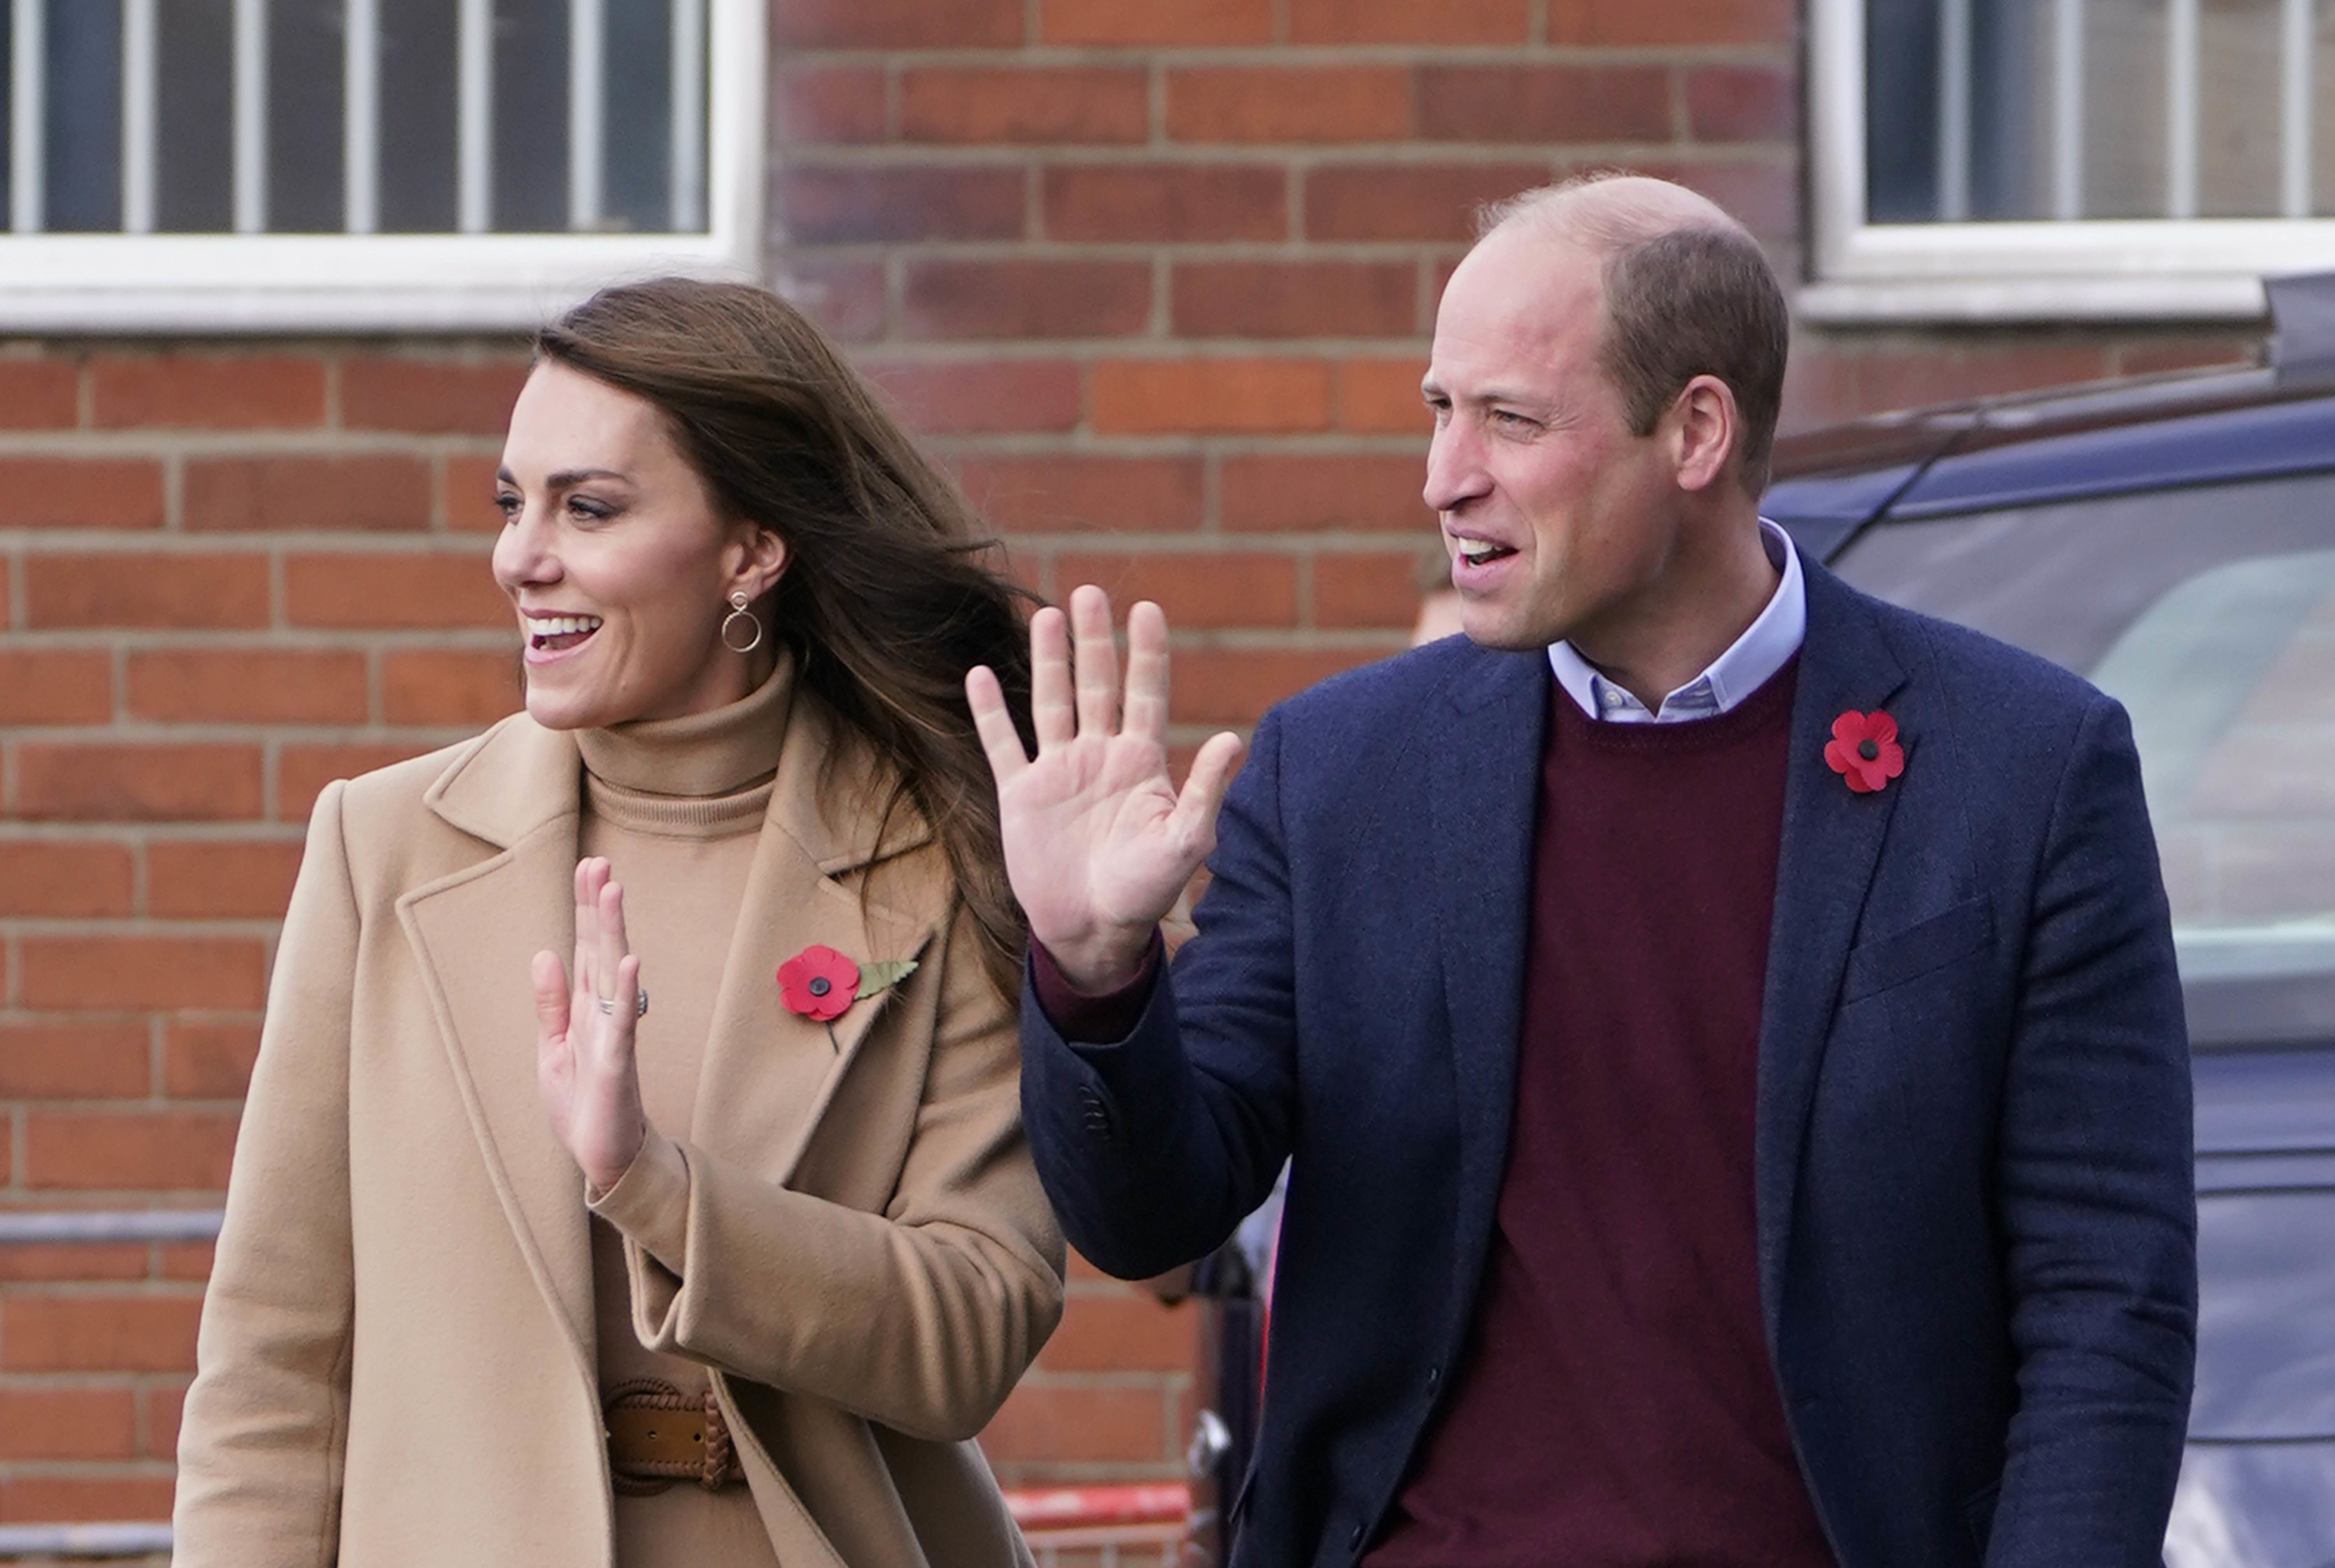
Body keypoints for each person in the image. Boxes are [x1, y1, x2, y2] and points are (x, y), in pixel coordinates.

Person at [968, 174, 2196, 1567]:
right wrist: (1096, 972)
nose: (1444, 478)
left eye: (1510, 419)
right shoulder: (1341, 775)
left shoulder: (2023, 770)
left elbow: (2109, 1305)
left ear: (1695, 429)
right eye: (1440, 410)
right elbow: (1155, 1217)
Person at [173, 278, 1065, 1568]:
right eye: (511, 501)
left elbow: (973, 1333)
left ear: (751, 552)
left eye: (587, 508)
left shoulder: (940, 852)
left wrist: (654, 1185)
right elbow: (274, 1369)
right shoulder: (383, 846)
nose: (520, 556)